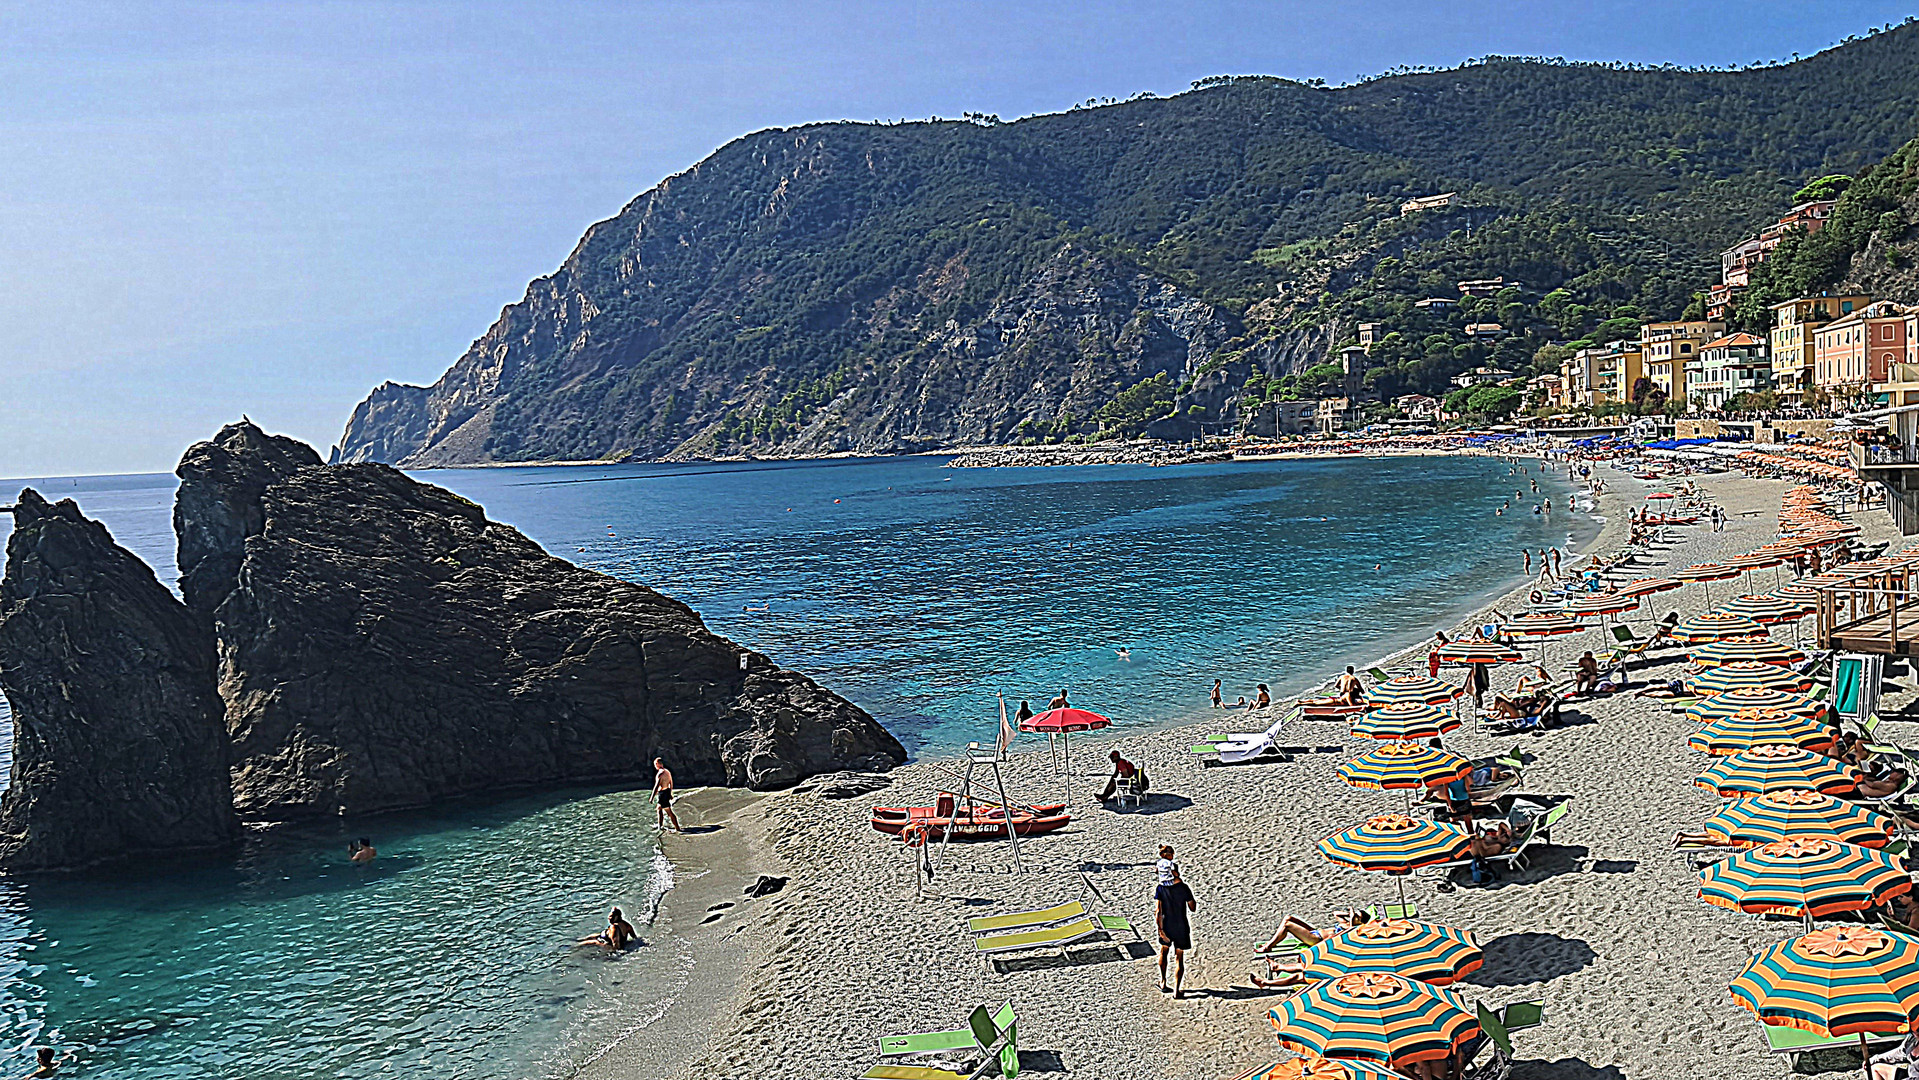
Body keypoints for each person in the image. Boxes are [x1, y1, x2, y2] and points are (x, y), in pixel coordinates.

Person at [1153, 848, 1197, 998]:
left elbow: (1158, 911)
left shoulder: (1160, 888)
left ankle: (1163, 981)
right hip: (1181, 926)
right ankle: (1177, 990)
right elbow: (1193, 907)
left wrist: (1160, 930)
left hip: (1166, 925)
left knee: (1164, 952)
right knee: (1179, 957)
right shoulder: (1183, 888)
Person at [1869, 1016, 1919, 1080]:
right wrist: (1874, 1059)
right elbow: (1899, 1052)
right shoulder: (1911, 1039)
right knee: (1874, 1069)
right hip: (1909, 1074)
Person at [653, 758, 682, 833]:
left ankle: (677, 828)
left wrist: (651, 797)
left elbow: (656, 786)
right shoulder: (667, 772)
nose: (655, 765)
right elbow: (671, 783)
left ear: (658, 764)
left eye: (655, 764)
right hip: (666, 792)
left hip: (662, 793)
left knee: (669, 812)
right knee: (659, 809)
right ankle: (660, 826)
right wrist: (670, 793)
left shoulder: (660, 773)